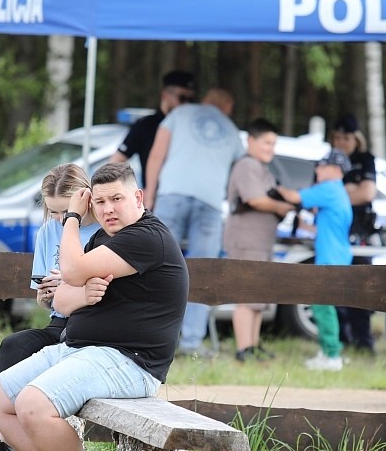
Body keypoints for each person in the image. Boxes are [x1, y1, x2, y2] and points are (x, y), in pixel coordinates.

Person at [0, 162, 188, 451]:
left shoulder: (146, 237)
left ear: (138, 197)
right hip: (82, 348)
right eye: (101, 201)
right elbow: (62, 294)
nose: (108, 209)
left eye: (117, 199)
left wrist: (73, 218)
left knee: (32, 405)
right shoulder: (103, 240)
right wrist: (81, 294)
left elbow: (72, 272)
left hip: (128, 360)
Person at [0, 164, 100, 451]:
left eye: (64, 211)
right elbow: (45, 300)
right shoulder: (47, 232)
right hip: (60, 321)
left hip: (91, 326)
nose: (59, 218)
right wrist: (46, 293)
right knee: (12, 344)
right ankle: (4, 442)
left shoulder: (104, 230)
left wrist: (71, 287)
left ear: (84, 198)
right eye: (52, 211)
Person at [144, 88, 244, 357]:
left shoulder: (179, 114)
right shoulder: (233, 131)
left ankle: (151, 334)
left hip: (172, 195)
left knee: (157, 264)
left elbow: (156, 155)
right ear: (227, 105)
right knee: (202, 272)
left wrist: (149, 194)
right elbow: (239, 173)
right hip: (211, 202)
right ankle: (192, 343)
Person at [224, 119, 297, 363]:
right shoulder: (246, 165)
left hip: (260, 241)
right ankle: (243, 350)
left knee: (257, 295)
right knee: (246, 295)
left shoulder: (262, 167)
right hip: (246, 240)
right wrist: (283, 206)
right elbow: (255, 199)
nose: (270, 148)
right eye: (266, 142)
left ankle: (253, 345)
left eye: (273, 143)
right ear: (251, 141)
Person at [276, 150, 354, 372]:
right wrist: (302, 227)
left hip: (330, 258)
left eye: (321, 165)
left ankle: (331, 355)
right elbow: (324, 229)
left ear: (335, 170)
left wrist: (274, 187)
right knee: (324, 307)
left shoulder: (329, 189)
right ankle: (329, 352)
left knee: (322, 307)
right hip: (336, 255)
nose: (317, 169)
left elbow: (294, 197)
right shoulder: (338, 192)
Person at [331, 113, 378, 353]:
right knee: (333, 285)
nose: (341, 142)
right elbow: (319, 197)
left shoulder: (365, 159)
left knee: (361, 287)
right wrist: (349, 192)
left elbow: (367, 194)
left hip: (359, 229)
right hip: (334, 229)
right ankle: (340, 341)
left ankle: (363, 343)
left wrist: (337, 195)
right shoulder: (327, 162)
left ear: (356, 138)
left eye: (346, 137)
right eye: (337, 137)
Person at [109, 70, 196, 188]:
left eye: (190, 100)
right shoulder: (146, 125)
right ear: (165, 95)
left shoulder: (192, 129)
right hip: (154, 198)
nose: (186, 104)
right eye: (182, 98)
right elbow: (116, 161)